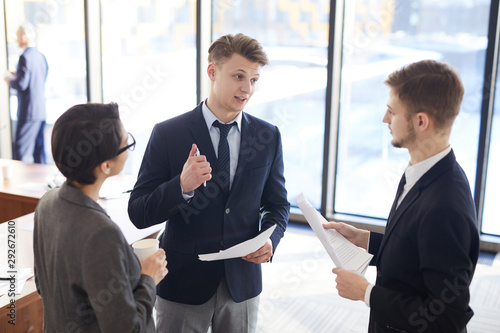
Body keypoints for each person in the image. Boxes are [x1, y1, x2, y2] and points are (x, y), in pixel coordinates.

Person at [128, 33, 290, 332]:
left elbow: (277, 204)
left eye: (254, 79)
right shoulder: (168, 134)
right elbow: (138, 212)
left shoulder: (268, 136)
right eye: (239, 76)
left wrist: (271, 240)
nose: (247, 88)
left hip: (242, 283)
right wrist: (182, 186)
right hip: (183, 284)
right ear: (212, 71)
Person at [325, 60, 479, 333]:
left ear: (421, 121)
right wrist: (365, 240)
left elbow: (447, 319)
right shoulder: (424, 170)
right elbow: (418, 251)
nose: (385, 119)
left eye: (392, 111)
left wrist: (366, 293)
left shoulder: (445, 206)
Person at [33, 103, 168, 332]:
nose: (128, 149)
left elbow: (43, 285)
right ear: (105, 165)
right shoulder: (101, 233)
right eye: (127, 143)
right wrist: (148, 278)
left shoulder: (47, 203)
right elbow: (126, 328)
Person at [4, 23, 48, 163]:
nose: (16, 40)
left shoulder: (24, 57)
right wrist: (18, 75)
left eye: (17, 36)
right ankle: (42, 181)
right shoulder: (40, 56)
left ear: (24, 37)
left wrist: (10, 80)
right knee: (39, 151)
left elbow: (22, 84)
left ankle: (18, 183)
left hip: (28, 112)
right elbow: (39, 78)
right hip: (40, 110)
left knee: (21, 150)